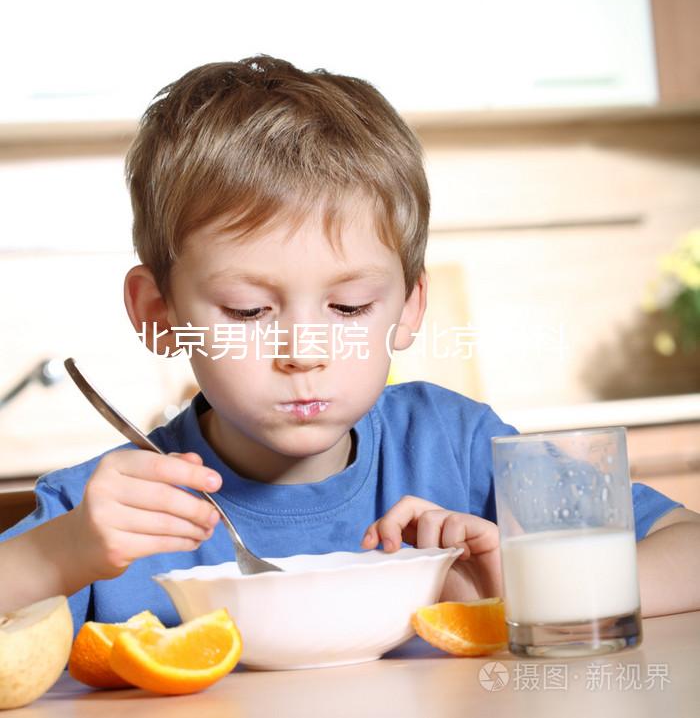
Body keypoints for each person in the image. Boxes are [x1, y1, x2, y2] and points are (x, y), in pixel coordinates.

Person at [1, 56, 698, 635]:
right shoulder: (103, 512)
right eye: (248, 310)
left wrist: (523, 581)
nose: (304, 351)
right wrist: (56, 557)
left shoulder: (456, 448)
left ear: (407, 306)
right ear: (159, 312)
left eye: (349, 306)